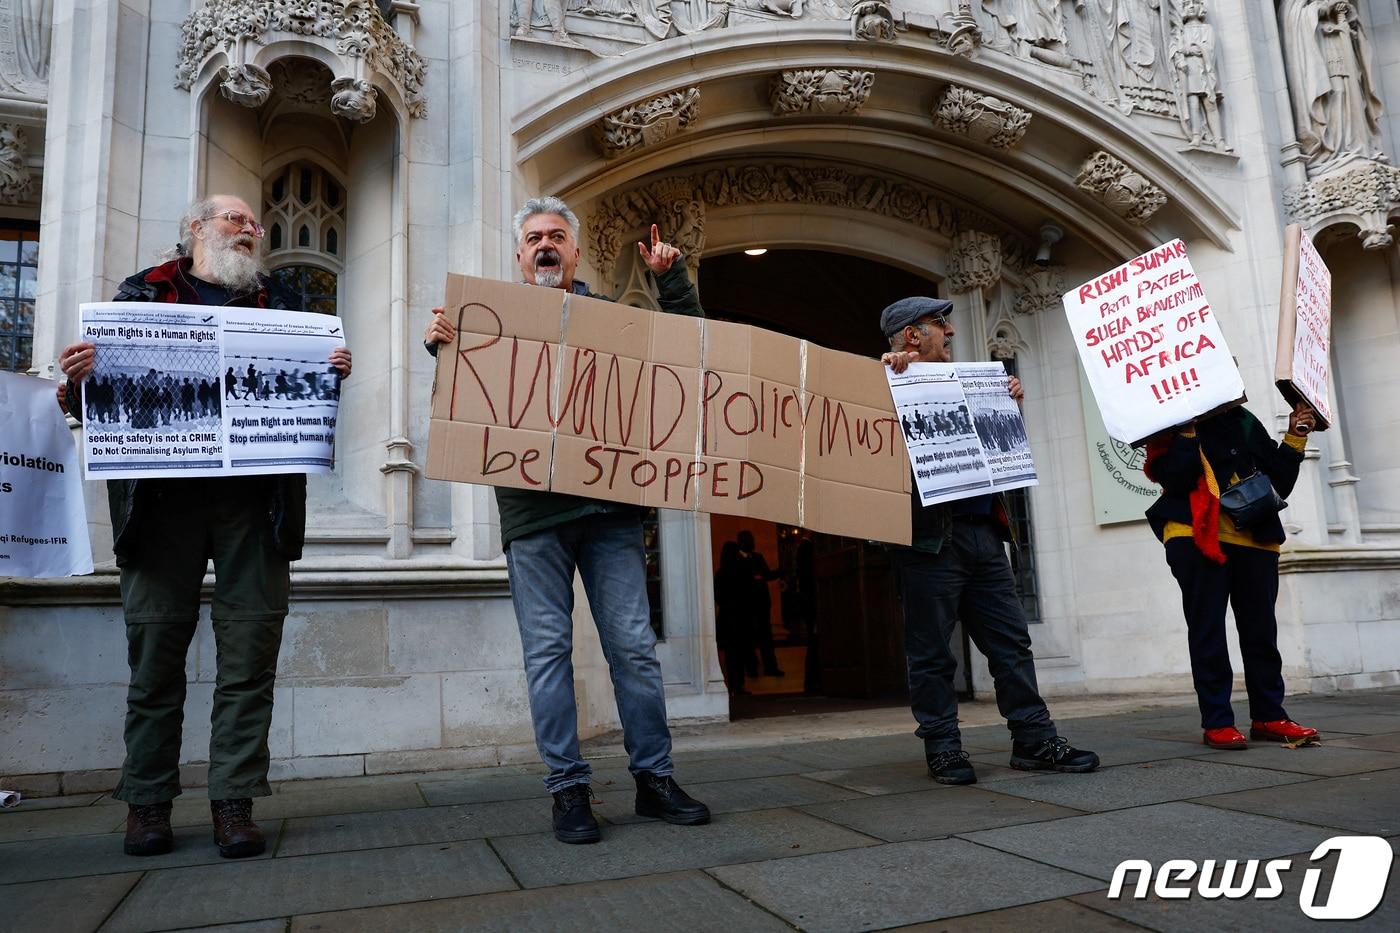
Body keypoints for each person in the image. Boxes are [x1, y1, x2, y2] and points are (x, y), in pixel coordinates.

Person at [56, 194, 353, 859]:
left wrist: (329, 373)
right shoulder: (138, 297)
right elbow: (93, 403)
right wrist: (76, 382)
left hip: (255, 507)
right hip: (161, 508)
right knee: (155, 656)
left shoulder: (282, 306)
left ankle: (234, 801)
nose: (250, 230)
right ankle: (148, 804)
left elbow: (301, 399)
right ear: (195, 229)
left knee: (250, 654)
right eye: (234, 220)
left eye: (255, 225)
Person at [424, 196, 710, 844]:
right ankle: (568, 790)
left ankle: (654, 779)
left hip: (609, 512)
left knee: (634, 650)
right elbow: (455, 416)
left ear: (576, 252)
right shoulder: (485, 324)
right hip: (534, 517)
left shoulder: (614, 318)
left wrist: (671, 279)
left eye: (556, 235)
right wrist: (442, 350)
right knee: (547, 653)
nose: (545, 245)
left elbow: (694, 358)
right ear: (519, 256)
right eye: (533, 238)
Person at [880, 296, 1099, 784]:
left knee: (1011, 645)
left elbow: (993, 453)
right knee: (932, 651)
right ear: (913, 335)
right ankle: (943, 748)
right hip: (927, 543)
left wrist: (1007, 408)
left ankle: (1034, 739)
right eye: (941, 324)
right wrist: (884, 380)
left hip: (983, 534)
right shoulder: (885, 385)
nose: (952, 332)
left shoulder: (966, 381)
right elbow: (865, 442)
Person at [1144, 402, 1321, 749]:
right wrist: (1187, 429)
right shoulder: (1165, 421)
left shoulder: (1243, 419)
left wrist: (1295, 435)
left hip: (1255, 535)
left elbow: (1280, 483)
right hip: (1194, 533)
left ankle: (1269, 715)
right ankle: (1217, 722)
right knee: (1208, 629)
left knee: (1261, 632)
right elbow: (1176, 477)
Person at [736, 529, 784, 677]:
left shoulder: (758, 557)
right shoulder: (736, 560)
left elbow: (766, 574)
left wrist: (779, 572)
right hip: (746, 606)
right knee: (748, 639)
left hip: (762, 605)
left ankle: (770, 667)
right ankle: (751, 669)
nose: (751, 543)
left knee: (766, 637)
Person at [713, 540, 753, 695]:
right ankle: (739, 685)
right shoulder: (742, 568)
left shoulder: (721, 573)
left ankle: (732, 685)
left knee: (730, 654)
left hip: (727, 616)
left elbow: (717, 595)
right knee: (740, 652)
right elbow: (749, 591)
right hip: (740, 615)